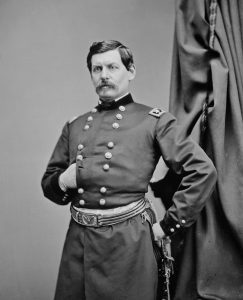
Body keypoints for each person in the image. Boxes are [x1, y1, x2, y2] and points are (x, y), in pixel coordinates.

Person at [41, 40, 217, 300]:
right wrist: (64, 181)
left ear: (130, 71)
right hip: (78, 243)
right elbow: (49, 186)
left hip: (129, 243)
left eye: (112, 67)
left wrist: (167, 227)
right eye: (97, 69)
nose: (104, 75)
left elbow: (202, 171)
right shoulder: (75, 125)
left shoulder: (154, 121)